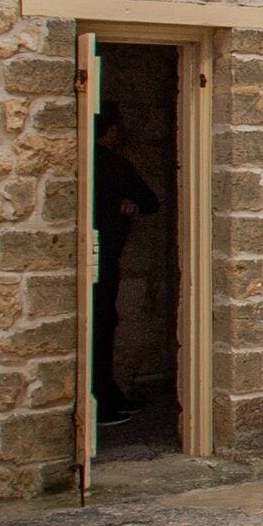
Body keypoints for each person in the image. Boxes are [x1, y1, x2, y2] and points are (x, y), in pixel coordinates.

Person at [89, 109, 161, 411]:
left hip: (95, 253)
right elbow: (150, 202)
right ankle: (103, 397)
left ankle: (101, 396)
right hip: (106, 255)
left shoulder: (92, 162)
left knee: (96, 323)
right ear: (112, 131)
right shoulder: (114, 165)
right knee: (103, 323)